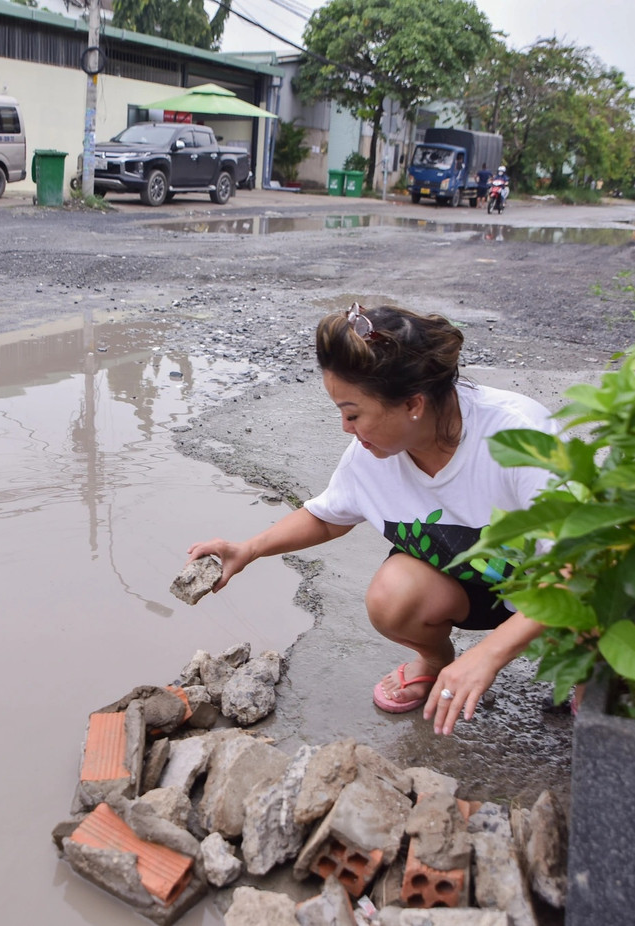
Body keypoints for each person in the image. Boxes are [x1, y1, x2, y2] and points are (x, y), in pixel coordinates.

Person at [186, 304, 557, 736]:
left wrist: (488, 656)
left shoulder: (520, 437)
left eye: (353, 413)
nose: (345, 427)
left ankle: (588, 664)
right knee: (391, 596)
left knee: (599, 684)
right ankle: (436, 662)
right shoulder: (372, 454)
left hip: (557, 590)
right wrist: (248, 549)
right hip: (473, 588)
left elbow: (582, 574)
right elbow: (328, 517)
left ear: (413, 404)